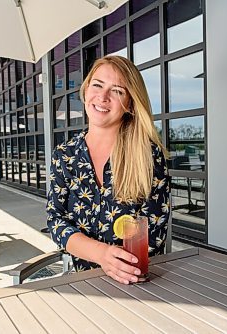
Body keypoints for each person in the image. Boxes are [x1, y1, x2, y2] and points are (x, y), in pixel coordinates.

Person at [46, 55, 170, 285]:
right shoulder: (65, 155)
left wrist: (117, 264)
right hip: (84, 283)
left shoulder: (148, 156)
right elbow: (56, 221)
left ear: (130, 104)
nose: (102, 97)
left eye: (117, 91)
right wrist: (100, 254)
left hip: (136, 283)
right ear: (85, 91)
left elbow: (153, 232)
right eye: (97, 85)